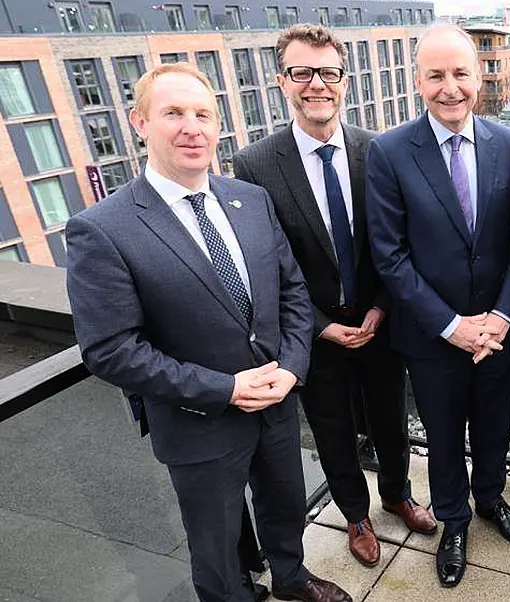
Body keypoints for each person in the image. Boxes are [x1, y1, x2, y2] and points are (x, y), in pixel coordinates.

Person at [64, 62, 351, 602]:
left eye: (203, 114)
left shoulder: (250, 199)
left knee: (285, 505)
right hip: (197, 420)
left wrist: (291, 368)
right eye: (173, 113)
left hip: (277, 402)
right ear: (140, 122)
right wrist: (225, 390)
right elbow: (109, 350)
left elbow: (291, 293)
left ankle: (291, 578)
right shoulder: (101, 229)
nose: (191, 127)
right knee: (215, 541)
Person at [233, 23, 436, 569]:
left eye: (328, 72)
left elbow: (400, 240)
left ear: (344, 81)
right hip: (312, 331)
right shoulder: (255, 164)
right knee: (332, 429)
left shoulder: (380, 151)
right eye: (303, 72)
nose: (316, 84)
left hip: (380, 319)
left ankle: (397, 494)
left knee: (392, 417)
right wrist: (320, 323)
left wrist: (382, 306)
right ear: (283, 81)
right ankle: (356, 514)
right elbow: (266, 264)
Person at [365, 24, 510, 588]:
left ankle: (490, 499)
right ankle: (455, 520)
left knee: (494, 425)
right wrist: (450, 325)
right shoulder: (389, 153)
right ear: (418, 81)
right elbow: (390, 258)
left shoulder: (507, 146)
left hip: (495, 329)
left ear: (478, 76)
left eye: (460, 73)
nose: (450, 87)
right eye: (436, 75)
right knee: (442, 435)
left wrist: (502, 317)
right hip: (431, 336)